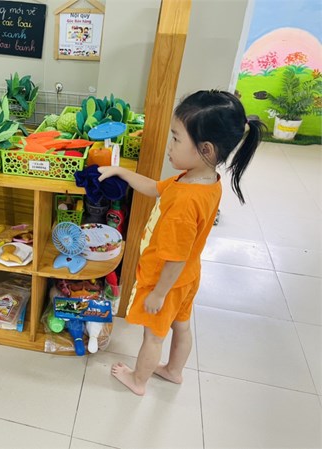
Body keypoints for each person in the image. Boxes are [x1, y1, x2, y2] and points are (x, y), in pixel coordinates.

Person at [98, 90, 264, 395]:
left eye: (175, 138)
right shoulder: (202, 180)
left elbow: (175, 256)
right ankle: (173, 371)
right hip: (187, 277)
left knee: (153, 335)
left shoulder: (185, 203)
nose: (169, 146)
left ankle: (138, 380)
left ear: (206, 149)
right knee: (182, 326)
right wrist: (122, 172)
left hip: (166, 280)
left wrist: (159, 294)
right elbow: (155, 187)